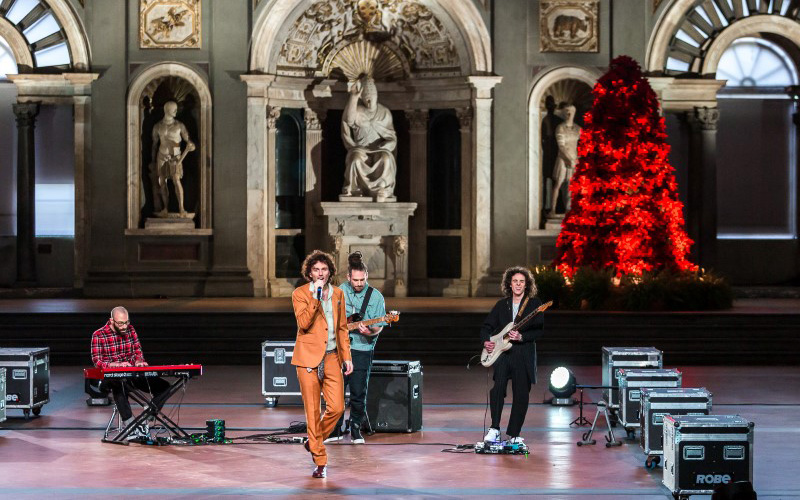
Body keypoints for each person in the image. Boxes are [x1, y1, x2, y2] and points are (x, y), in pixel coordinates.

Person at [292, 250, 354, 479]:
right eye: (316, 270)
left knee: (337, 408)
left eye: (324, 269)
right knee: (312, 411)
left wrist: (346, 356)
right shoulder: (300, 294)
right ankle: (320, 461)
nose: (320, 273)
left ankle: (313, 440)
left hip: (332, 357)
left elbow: (342, 328)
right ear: (309, 272)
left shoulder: (338, 294)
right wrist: (316, 298)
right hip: (308, 358)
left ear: (330, 272)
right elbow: (304, 323)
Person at [325, 251, 386, 444]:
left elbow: (378, 326)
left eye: (362, 280)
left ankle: (356, 427)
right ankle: (334, 428)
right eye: (356, 280)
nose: (359, 283)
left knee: (359, 391)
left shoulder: (375, 296)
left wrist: (370, 332)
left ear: (366, 276)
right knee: (336, 390)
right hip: (338, 349)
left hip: (362, 349)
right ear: (348, 277)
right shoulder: (338, 291)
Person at [481, 267, 545, 445]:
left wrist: (523, 337)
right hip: (503, 353)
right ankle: (494, 429)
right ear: (510, 284)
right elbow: (486, 326)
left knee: (521, 394)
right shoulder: (502, 305)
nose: (518, 284)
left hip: (522, 354)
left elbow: (539, 331)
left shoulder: (534, 304)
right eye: (515, 281)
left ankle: (514, 433)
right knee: (498, 389)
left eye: (522, 281)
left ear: (527, 285)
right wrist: (486, 340)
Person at [90, 306, 170, 440]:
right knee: (119, 385)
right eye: (120, 323)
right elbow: (96, 361)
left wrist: (139, 361)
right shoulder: (98, 335)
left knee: (165, 387)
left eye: (126, 322)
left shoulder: (131, 330)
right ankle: (130, 426)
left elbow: (138, 352)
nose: (124, 326)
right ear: (111, 321)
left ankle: (148, 415)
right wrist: (115, 365)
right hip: (109, 377)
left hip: (132, 374)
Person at [341, 76, 397, 201]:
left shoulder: (384, 112)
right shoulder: (358, 110)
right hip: (361, 149)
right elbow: (349, 120)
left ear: (377, 95)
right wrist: (353, 97)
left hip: (378, 149)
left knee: (386, 158)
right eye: (367, 99)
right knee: (355, 160)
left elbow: (392, 137)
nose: (370, 102)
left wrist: (386, 145)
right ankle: (354, 189)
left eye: (372, 97)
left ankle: (382, 189)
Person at [150, 100, 196, 217]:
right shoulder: (157, 126)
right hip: (161, 156)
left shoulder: (179, 125)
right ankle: (165, 208)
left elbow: (188, 140)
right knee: (162, 183)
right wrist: (152, 160)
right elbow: (154, 145)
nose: (176, 111)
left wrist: (191, 145)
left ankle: (181, 208)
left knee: (176, 180)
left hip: (175, 158)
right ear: (168, 110)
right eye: (174, 109)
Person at [549, 103, 581, 215]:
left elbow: (582, 145)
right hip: (563, 158)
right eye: (567, 111)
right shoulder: (560, 127)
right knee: (558, 183)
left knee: (571, 185)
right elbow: (561, 146)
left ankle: (569, 209)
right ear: (563, 113)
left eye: (571, 111)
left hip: (574, 158)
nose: (569, 113)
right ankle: (552, 209)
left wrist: (577, 158)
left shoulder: (577, 128)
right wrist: (569, 159)